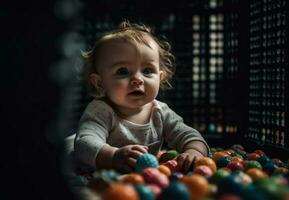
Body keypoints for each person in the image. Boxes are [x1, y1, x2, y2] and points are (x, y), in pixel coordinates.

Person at [74, 20, 209, 174]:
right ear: (100, 83)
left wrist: (194, 152)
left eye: (147, 70)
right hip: (100, 174)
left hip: (142, 180)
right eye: (123, 71)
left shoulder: (160, 112)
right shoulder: (101, 110)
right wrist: (113, 157)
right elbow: (85, 143)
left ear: (160, 77)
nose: (138, 79)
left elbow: (189, 135)